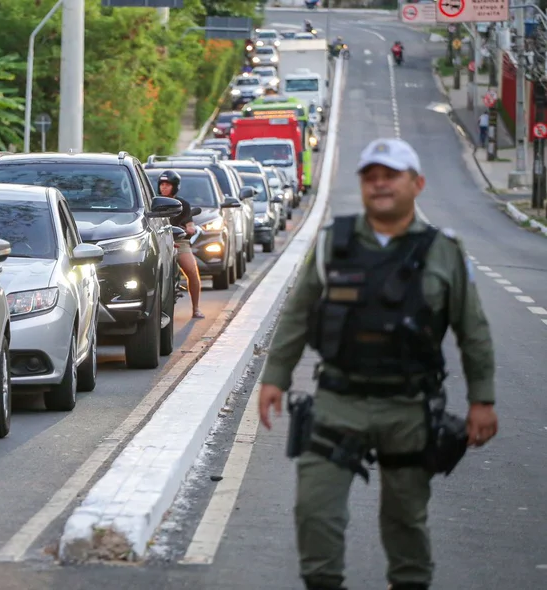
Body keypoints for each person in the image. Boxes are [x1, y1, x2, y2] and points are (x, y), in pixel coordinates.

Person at [257, 138, 497, 590]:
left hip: (409, 407)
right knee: (315, 510)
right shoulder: (333, 243)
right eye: (371, 176)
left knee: (406, 520)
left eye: (391, 175)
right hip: (338, 402)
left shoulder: (444, 251)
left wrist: (482, 399)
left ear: (417, 183)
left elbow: (473, 329)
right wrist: (275, 377)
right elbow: (297, 314)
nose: (380, 184)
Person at [158, 170, 204, 319]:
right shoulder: (154, 202)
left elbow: (190, 224)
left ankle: (196, 308)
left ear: (175, 187)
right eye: (162, 184)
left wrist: (190, 228)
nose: (163, 188)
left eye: (167, 185)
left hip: (179, 241)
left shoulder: (183, 204)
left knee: (192, 270)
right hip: (159, 241)